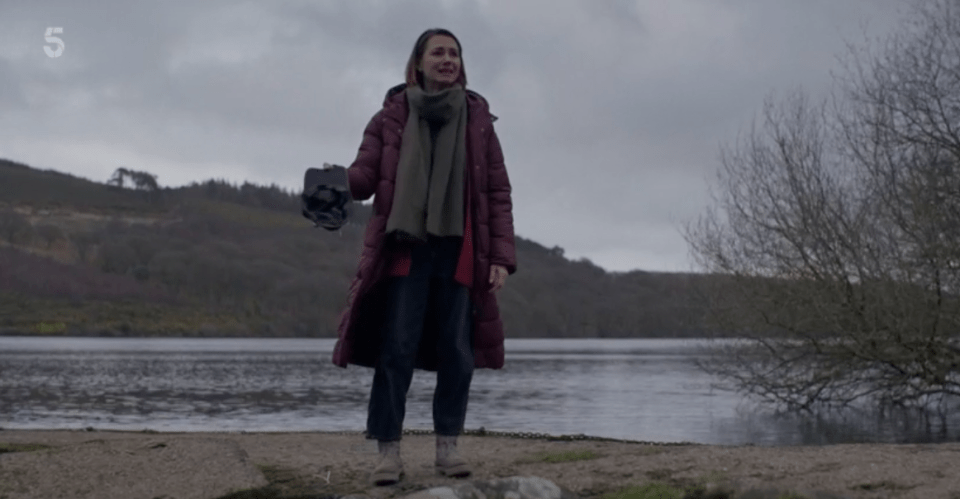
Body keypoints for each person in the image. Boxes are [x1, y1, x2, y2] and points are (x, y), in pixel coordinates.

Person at [330, 28, 517, 486]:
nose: (448, 59)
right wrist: (333, 182)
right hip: (405, 251)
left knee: (458, 352)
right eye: (438, 52)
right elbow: (366, 174)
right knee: (396, 348)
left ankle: (447, 448)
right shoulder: (390, 116)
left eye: (454, 53)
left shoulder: (478, 120)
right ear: (418, 63)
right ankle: (388, 454)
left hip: (461, 251)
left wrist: (500, 258)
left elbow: (497, 192)